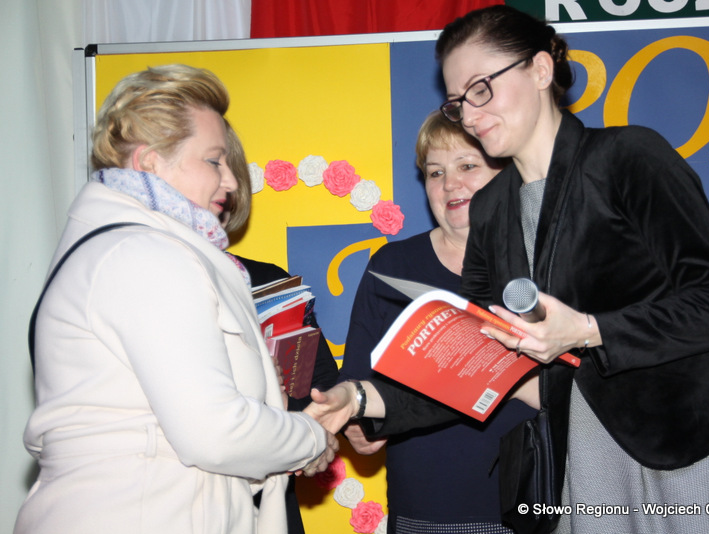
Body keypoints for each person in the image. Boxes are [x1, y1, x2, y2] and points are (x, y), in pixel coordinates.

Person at [305, 5, 709, 533]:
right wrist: (357, 398)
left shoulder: (628, 157)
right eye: (457, 102)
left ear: (540, 70)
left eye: (481, 89)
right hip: (583, 458)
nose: (469, 115)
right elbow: (478, 364)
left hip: (689, 442)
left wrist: (587, 330)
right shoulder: (491, 210)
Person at [15, 64, 337, 534]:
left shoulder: (133, 249)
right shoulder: (145, 255)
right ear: (150, 162)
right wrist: (311, 437)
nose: (231, 181)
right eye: (214, 161)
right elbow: (215, 431)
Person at [338, 111, 536, 534]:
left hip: (531, 507)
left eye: (467, 166)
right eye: (435, 172)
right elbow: (355, 381)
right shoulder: (392, 266)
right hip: (422, 510)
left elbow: (586, 393)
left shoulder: (544, 264)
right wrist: (358, 428)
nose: (449, 184)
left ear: (507, 174)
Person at [222, 120, 340, 534]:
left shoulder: (270, 281)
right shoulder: (148, 280)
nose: (222, 182)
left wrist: (306, 429)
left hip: (272, 503)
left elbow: (321, 387)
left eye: (228, 167)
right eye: (210, 164)